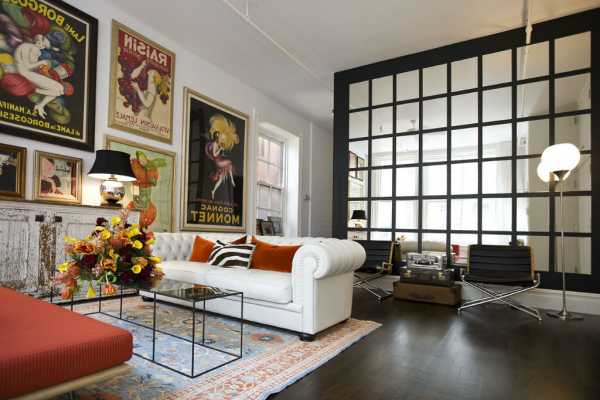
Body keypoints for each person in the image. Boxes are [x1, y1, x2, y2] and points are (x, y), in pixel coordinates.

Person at [14, 34, 64, 119]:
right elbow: (28, 66)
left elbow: (31, 65)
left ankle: (40, 105)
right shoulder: (33, 48)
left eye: (44, 46)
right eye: (43, 44)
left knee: (59, 89)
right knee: (59, 90)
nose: (42, 47)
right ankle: (36, 91)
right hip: (26, 73)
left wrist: (41, 68)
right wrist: (42, 62)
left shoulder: (29, 47)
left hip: (27, 72)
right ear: (39, 41)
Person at [204, 114, 239, 200]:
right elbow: (215, 155)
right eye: (220, 136)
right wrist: (220, 149)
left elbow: (218, 154)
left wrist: (221, 149)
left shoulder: (217, 144)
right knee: (229, 163)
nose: (221, 138)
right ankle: (232, 180)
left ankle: (213, 191)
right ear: (217, 136)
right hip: (218, 162)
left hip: (219, 160)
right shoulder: (214, 144)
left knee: (221, 179)